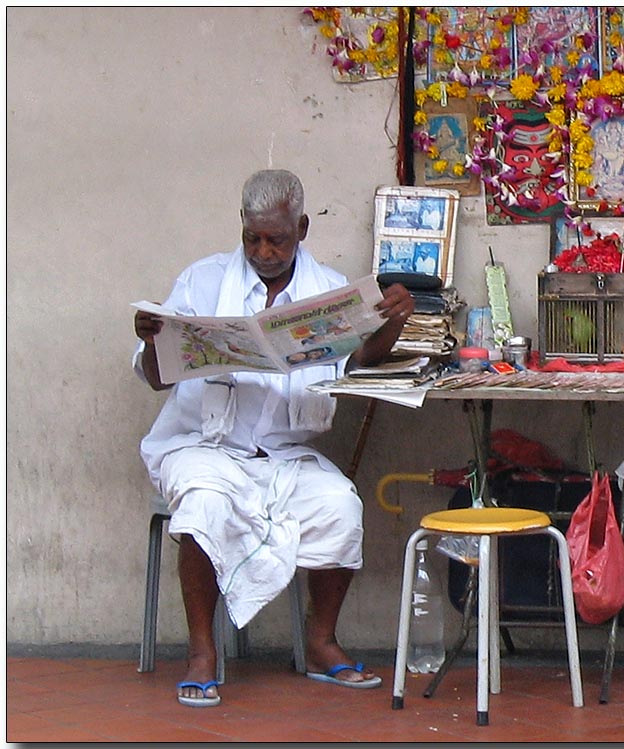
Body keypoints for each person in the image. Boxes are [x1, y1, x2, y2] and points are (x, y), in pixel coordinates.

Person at [133, 169, 414, 708]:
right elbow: (155, 377)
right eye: (252, 237)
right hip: (202, 446)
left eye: (276, 239)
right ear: (241, 228)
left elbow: (355, 364)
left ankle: (321, 643)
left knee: (338, 505)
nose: (262, 251)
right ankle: (202, 654)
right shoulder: (202, 281)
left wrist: (391, 324)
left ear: (302, 228)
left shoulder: (328, 290)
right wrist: (154, 343)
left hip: (285, 453)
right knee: (204, 502)